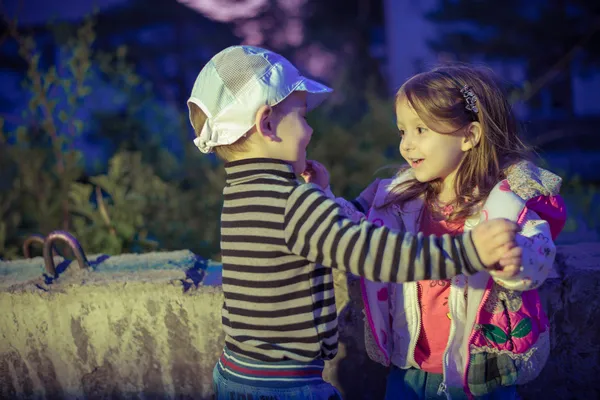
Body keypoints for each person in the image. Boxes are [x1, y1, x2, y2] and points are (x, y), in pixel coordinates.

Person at [187, 46, 522, 400]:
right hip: (287, 387)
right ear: (267, 124)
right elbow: (378, 253)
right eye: (302, 117)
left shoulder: (239, 195)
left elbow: (306, 236)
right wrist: (469, 250)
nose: (310, 131)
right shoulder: (294, 204)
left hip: (235, 375)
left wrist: (323, 197)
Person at [351, 65, 567, 399]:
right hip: (409, 368)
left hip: (480, 377)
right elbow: (345, 224)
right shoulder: (393, 195)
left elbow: (539, 250)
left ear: (469, 136)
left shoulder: (505, 201)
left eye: (421, 130)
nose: (406, 146)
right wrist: (317, 193)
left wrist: (513, 262)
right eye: (402, 132)